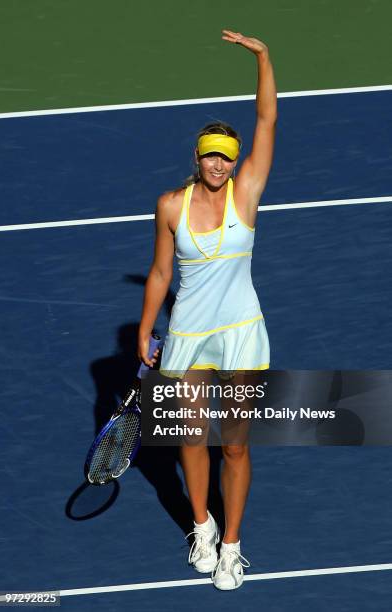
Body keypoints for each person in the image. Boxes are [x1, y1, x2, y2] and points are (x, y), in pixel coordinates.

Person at [138, 29, 277, 590]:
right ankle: (202, 525)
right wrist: (146, 330)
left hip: (243, 334)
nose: (218, 165)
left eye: (226, 157)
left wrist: (264, 58)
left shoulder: (247, 194)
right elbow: (160, 273)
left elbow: (266, 121)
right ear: (197, 158)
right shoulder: (171, 204)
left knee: (236, 443)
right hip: (190, 335)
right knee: (192, 438)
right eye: (210, 156)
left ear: (234, 161)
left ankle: (232, 546)